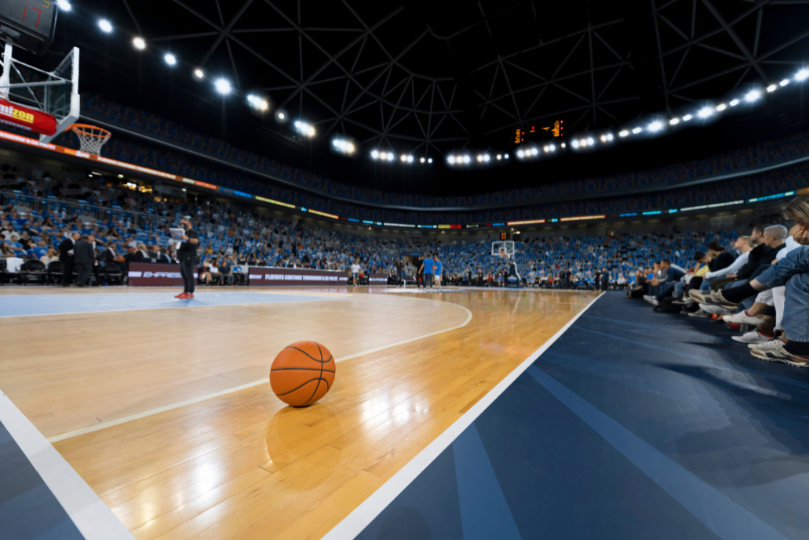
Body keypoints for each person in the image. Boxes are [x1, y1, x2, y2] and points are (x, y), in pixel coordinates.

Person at [176, 215, 199, 299]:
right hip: (182, 256)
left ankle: (190, 292)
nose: (182, 221)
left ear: (190, 223)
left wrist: (188, 238)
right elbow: (180, 244)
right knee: (184, 275)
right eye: (181, 220)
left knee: (189, 275)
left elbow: (196, 241)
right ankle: (185, 291)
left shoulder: (193, 233)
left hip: (189, 257)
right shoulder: (183, 233)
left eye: (184, 220)